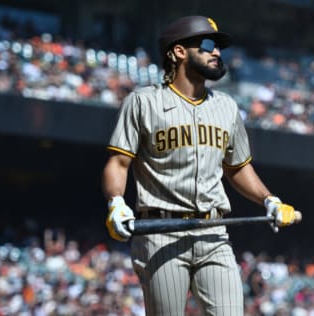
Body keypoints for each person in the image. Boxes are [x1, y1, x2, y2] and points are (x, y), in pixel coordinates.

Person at [102, 15, 298, 316]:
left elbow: (238, 168)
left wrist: (269, 200)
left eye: (218, 46)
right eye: (207, 45)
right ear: (179, 51)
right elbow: (119, 161)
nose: (216, 52)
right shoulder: (143, 102)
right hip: (160, 231)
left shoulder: (226, 107)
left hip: (213, 231)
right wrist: (116, 202)